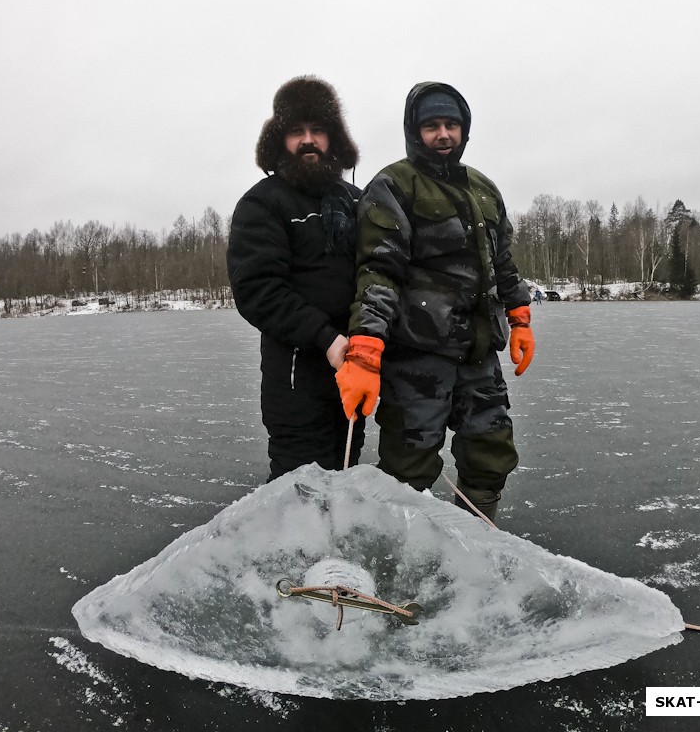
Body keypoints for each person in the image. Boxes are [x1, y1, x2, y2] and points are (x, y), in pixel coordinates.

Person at [335, 81, 535, 522]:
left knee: (490, 455)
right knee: (409, 468)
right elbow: (378, 270)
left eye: (451, 125)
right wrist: (365, 348)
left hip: (479, 353)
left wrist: (519, 316)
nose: (443, 134)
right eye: (431, 126)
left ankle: (478, 542)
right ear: (414, 131)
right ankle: (406, 552)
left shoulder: (484, 188)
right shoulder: (393, 184)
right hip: (416, 358)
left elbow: (503, 262)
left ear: (464, 130)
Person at [227, 76, 365, 482]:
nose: (308, 140)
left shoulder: (357, 202)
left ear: (333, 137)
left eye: (318, 130)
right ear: (279, 139)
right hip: (296, 385)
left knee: (345, 474)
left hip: (354, 375)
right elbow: (258, 290)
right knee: (298, 494)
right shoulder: (262, 203)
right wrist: (326, 338)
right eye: (296, 131)